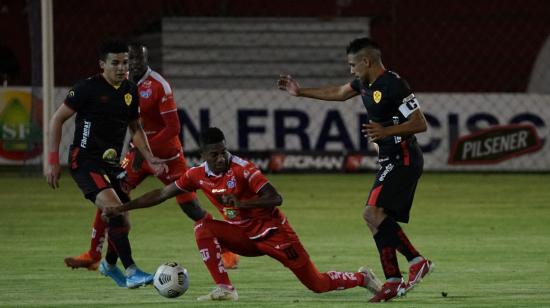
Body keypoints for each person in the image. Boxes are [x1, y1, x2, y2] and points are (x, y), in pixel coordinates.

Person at [105, 127, 382, 301]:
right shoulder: (197, 174)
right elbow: (161, 194)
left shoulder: (243, 169)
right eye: (214, 154)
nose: (221, 157)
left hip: (275, 234)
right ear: (204, 155)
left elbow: (275, 197)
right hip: (244, 237)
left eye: (223, 151)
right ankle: (225, 288)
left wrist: (240, 204)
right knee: (203, 227)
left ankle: (362, 277)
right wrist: (123, 207)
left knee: (318, 285)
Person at [277, 37, 433, 302]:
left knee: (371, 213)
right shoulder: (364, 83)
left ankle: (417, 261)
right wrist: (300, 92)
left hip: (404, 157)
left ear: (366, 61)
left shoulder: (395, 85)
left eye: (352, 65)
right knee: (373, 218)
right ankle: (394, 280)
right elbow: (338, 93)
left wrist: (386, 131)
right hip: (389, 158)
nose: (350, 70)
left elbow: (420, 123)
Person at [63, 43, 240, 271]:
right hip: (137, 155)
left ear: (146, 60)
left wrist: (144, 151)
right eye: (129, 60)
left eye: (138, 60)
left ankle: (226, 248)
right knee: (112, 196)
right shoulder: (120, 84)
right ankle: (94, 254)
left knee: (191, 208)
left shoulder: (159, 86)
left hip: (168, 158)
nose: (132, 65)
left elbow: (173, 127)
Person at [45, 39, 167, 289]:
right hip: (85, 161)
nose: (122, 67)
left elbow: (135, 128)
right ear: (102, 65)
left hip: (112, 165)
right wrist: (52, 161)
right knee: (114, 211)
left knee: (124, 221)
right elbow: (57, 120)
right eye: (115, 63)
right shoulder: (86, 89)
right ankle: (132, 270)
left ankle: (109, 266)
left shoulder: (130, 91)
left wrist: (151, 157)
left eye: (125, 62)